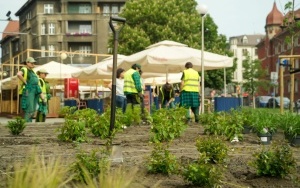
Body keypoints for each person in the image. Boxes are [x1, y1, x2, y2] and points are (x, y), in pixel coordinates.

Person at [17, 57, 46, 122]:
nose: (33, 64)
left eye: (34, 63)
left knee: (33, 109)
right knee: (29, 109)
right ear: (27, 63)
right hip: (28, 91)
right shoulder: (24, 69)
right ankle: (27, 124)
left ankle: (28, 123)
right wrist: (25, 82)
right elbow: (19, 74)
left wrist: (43, 98)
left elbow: (38, 86)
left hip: (35, 91)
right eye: (31, 63)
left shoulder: (33, 72)